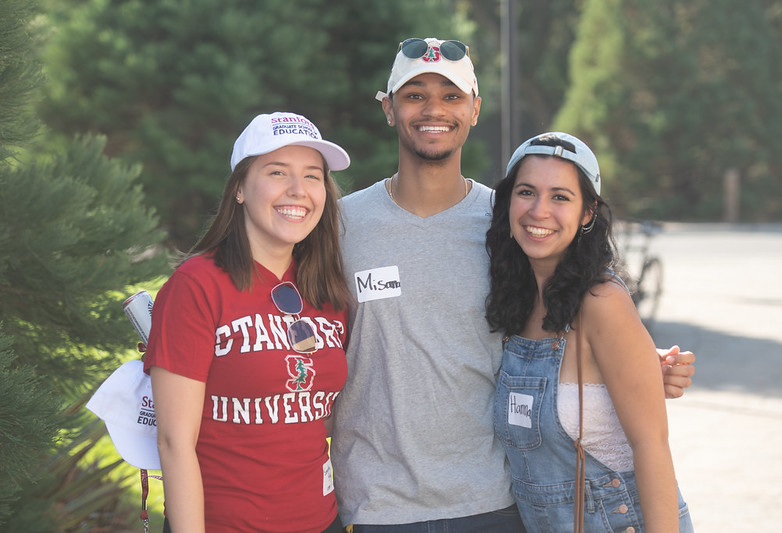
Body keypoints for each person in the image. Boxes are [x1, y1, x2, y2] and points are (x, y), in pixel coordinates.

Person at [330, 37, 695, 531]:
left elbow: (566, 319)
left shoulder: (509, 228)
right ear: (388, 108)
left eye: (452, 95)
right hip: (378, 507)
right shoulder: (337, 227)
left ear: (476, 108)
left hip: (498, 505)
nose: (433, 109)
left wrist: (632, 371)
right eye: (415, 94)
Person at [144, 111, 351, 533]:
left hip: (322, 522)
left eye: (313, 176)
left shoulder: (327, 291)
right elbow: (174, 442)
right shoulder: (196, 286)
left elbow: (314, 411)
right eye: (277, 172)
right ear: (239, 188)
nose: (298, 190)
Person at [486, 132, 693, 531]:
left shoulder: (601, 301)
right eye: (526, 192)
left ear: (587, 213)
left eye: (560, 197)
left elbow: (651, 446)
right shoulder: (515, 299)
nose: (539, 211)